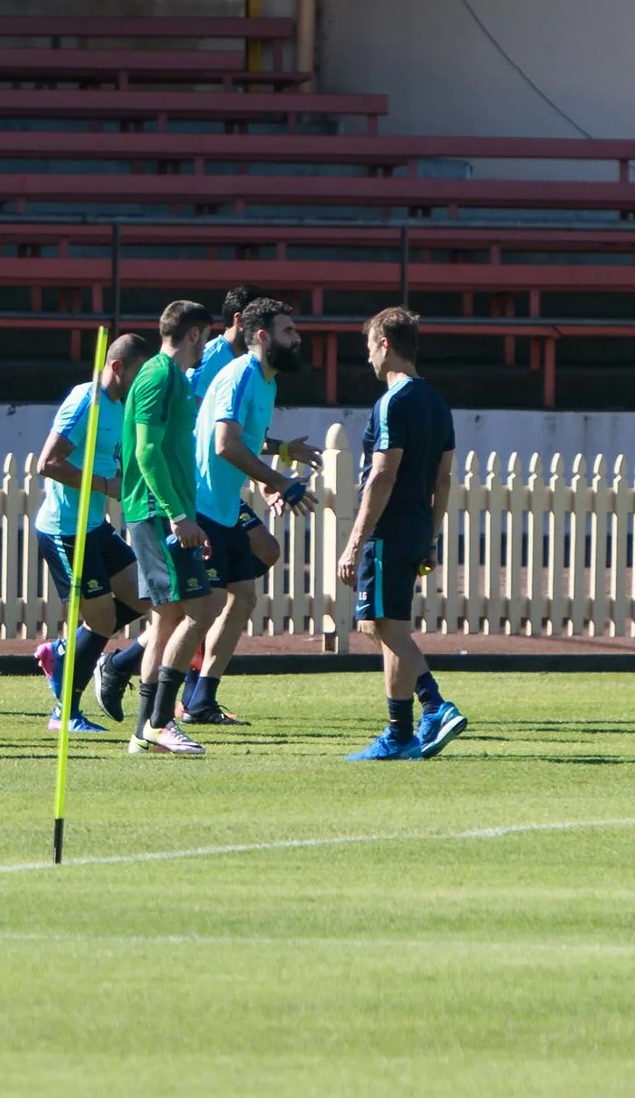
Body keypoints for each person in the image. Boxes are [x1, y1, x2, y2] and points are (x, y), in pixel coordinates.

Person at [184, 297, 316, 727]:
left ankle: (201, 700)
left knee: (242, 594)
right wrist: (280, 481)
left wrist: (275, 462)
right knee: (204, 607)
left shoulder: (266, 381)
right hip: (200, 504)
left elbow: (243, 442)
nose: (297, 339)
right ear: (262, 336)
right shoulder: (241, 374)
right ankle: (122, 665)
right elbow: (224, 444)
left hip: (223, 507)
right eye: (288, 331)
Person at [340, 307, 465, 761]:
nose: (368, 358)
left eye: (370, 347)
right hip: (415, 525)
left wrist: (355, 541)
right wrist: (432, 535)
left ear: (385, 344)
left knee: (379, 625)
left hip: (388, 529)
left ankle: (434, 705)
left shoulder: (394, 401)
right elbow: (443, 479)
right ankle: (400, 734)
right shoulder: (437, 402)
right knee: (387, 625)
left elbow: (382, 475)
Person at [28, 333, 153, 735]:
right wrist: (105, 485)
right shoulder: (87, 401)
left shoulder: (120, 405)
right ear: (117, 367)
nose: (143, 383)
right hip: (66, 531)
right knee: (101, 621)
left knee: (145, 596)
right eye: (139, 374)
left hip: (95, 527)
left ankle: (64, 651)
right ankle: (63, 713)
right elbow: (47, 463)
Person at [119, 300, 222, 756]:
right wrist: (177, 515)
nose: (206, 346)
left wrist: (187, 514)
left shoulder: (174, 378)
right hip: (157, 512)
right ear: (194, 334)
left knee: (165, 620)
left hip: (168, 510)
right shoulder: (158, 375)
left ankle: (143, 731)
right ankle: (160, 722)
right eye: (206, 337)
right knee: (200, 611)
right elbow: (146, 451)